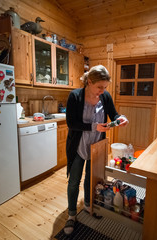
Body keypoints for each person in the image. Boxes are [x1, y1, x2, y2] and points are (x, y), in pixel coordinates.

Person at [64, 65, 129, 235]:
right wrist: (95, 127)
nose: (102, 91)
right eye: (99, 87)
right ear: (89, 82)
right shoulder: (75, 96)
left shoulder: (104, 96)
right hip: (78, 146)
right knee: (74, 181)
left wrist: (120, 118)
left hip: (96, 146)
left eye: (105, 87)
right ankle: (71, 215)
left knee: (91, 179)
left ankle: (87, 205)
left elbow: (113, 114)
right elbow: (72, 124)